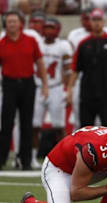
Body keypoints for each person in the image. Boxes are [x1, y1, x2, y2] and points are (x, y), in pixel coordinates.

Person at [21, 123, 107, 203]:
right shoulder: (93, 151)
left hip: (89, 166)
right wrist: (106, 189)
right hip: (58, 169)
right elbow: (76, 193)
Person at [0, 10, 48, 171]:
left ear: (21, 23)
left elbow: (40, 63)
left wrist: (45, 85)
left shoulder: (30, 40)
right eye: (9, 22)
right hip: (9, 85)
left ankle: (25, 160)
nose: (12, 24)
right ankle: (2, 159)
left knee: (27, 124)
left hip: (28, 84)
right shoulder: (2, 43)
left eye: (14, 21)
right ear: (5, 24)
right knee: (6, 123)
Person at [67, 8, 107, 128]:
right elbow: (75, 69)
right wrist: (70, 89)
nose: (96, 23)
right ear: (90, 21)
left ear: (104, 22)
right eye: (94, 20)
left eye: (99, 20)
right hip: (87, 93)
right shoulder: (83, 44)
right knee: (85, 128)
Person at [32, 17, 73, 168]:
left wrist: (68, 90)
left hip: (56, 87)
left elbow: (68, 70)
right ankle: (32, 157)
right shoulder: (37, 43)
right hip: (38, 87)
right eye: (47, 28)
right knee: (34, 125)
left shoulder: (63, 46)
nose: (49, 32)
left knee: (59, 126)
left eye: (52, 28)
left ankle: (67, 158)